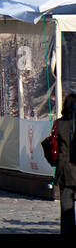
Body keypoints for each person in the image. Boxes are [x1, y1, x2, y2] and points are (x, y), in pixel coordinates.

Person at [53, 93, 76, 234]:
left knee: (66, 204)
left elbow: (54, 144)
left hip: (64, 167)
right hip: (71, 166)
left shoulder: (59, 124)